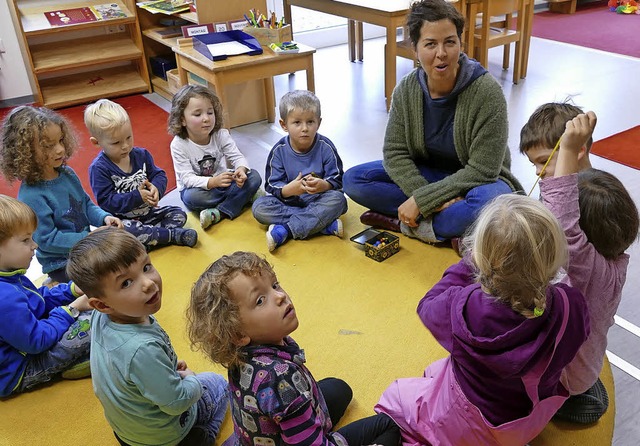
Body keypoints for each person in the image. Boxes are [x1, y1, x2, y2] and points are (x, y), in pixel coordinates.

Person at [376, 194, 590, 445]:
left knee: (396, 398)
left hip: (465, 419)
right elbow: (573, 338)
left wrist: (469, 264)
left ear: (483, 259)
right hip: (524, 419)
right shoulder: (571, 304)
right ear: (553, 258)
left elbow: (427, 306)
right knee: (437, 371)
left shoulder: (463, 305)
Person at [342, 0, 522, 245]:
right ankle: (447, 229)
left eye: (450, 41)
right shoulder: (407, 89)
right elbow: (395, 154)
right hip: (428, 175)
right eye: (430, 44)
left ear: (460, 43)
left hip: (478, 182)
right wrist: (428, 196)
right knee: (354, 180)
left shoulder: (487, 92)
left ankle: (404, 223)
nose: (441, 53)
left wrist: (421, 202)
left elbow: (483, 170)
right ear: (415, 48)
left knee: (492, 204)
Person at [187, 251, 401, 446]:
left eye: (275, 285)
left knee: (338, 388)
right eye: (260, 300)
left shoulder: (240, 354)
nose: (280, 296)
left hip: (256, 436)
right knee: (389, 426)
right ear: (238, 334)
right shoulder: (281, 379)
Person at [66, 228, 228, 446]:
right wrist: (190, 380)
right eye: (126, 282)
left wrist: (163, 369)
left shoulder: (100, 315)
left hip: (128, 433)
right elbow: (176, 402)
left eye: (146, 267)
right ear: (102, 304)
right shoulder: (142, 349)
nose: (149, 283)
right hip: (167, 436)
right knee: (218, 383)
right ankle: (202, 437)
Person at [538, 111, 639, 424]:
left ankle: (561, 401)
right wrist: (581, 154)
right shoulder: (614, 260)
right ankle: (579, 391)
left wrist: (567, 151)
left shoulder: (583, 266)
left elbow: (564, 221)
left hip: (564, 378)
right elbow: (583, 206)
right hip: (585, 368)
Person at [0, 106, 122, 283]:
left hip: (86, 249)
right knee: (110, 277)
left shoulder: (67, 174)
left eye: (61, 141)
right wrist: (88, 238)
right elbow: (47, 239)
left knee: (123, 254)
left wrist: (104, 218)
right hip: (61, 264)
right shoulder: (32, 195)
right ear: (25, 153)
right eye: (49, 146)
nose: (59, 150)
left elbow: (85, 204)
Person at [0, 194, 93, 397]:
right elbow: (36, 341)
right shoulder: (3, 298)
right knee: (93, 321)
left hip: (28, 347)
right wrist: (72, 309)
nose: (35, 245)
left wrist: (71, 291)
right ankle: (73, 364)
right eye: (25, 240)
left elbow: (37, 301)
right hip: (20, 370)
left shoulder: (9, 275)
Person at [85, 99, 197, 249]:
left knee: (178, 214)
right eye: (116, 143)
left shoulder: (141, 155)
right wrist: (137, 197)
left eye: (128, 137)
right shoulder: (99, 169)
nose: (125, 146)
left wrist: (156, 188)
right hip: (123, 222)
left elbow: (159, 175)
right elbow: (106, 201)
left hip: (148, 215)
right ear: (96, 142)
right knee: (124, 231)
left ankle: (149, 240)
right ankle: (170, 236)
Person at [252, 90, 347, 252]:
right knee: (259, 208)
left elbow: (338, 179)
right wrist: (288, 190)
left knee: (339, 200)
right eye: (297, 123)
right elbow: (271, 186)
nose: (305, 128)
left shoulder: (326, 147)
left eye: (310, 122)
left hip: (318, 199)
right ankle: (321, 224)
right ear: (284, 125)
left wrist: (323, 185)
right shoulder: (279, 151)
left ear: (319, 122)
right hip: (288, 202)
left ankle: (286, 230)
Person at [168, 85, 262, 229]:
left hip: (223, 183)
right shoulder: (178, 145)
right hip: (199, 189)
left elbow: (237, 157)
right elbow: (187, 179)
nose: (206, 118)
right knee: (191, 198)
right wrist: (212, 182)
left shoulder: (220, 134)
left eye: (210, 112)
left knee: (254, 176)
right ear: (182, 120)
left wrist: (241, 170)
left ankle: (218, 213)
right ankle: (243, 197)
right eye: (198, 114)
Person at [519, 101, 593, 179]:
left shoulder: (597, 190)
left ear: (577, 151)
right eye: (534, 164)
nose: (538, 172)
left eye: (544, 162)